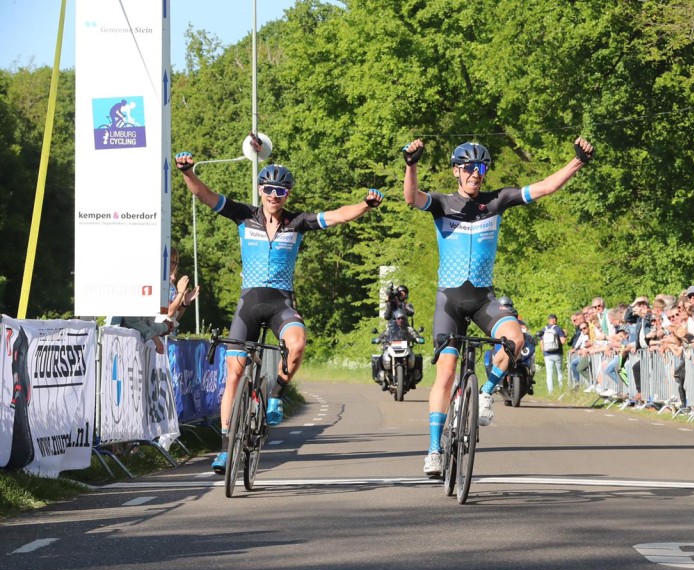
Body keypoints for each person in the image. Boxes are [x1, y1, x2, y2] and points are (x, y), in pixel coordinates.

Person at [175, 150, 383, 474]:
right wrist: (188, 173)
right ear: (260, 190)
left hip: (281, 304)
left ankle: (275, 394)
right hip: (248, 304)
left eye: (281, 191)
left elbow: (339, 215)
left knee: (297, 344)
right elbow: (206, 195)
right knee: (233, 375)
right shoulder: (244, 216)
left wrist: (365, 205)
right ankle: (227, 448)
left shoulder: (297, 222)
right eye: (269, 190)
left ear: (287, 194)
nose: (274, 196)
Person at [402, 136, 594, 477]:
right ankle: (433, 450)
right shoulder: (442, 204)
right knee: (445, 373)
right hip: (449, 301)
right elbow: (410, 197)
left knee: (515, 339)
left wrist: (576, 161)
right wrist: (411, 165)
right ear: (456, 172)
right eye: (468, 168)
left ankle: (487, 391)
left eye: (481, 168)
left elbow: (545, 187)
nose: (475, 174)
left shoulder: (497, 201)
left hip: (482, 299)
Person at [540, 314, 567, 393]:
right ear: (555, 320)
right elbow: (563, 341)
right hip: (557, 353)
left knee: (549, 373)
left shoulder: (543, 329)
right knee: (559, 371)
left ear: (548, 320)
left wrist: (544, 353)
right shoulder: (558, 329)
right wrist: (565, 334)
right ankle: (561, 389)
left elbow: (541, 343)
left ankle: (550, 392)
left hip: (547, 354)